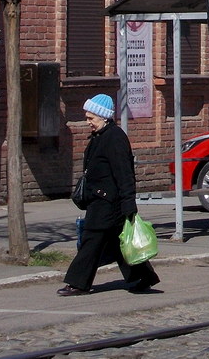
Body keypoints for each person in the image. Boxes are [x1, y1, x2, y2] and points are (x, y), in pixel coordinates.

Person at [59, 94, 160, 296]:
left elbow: (124, 173)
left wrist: (128, 202)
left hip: (109, 202)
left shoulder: (115, 138)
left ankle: (78, 283)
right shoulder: (100, 136)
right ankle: (143, 277)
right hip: (99, 199)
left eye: (91, 118)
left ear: (103, 117)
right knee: (118, 243)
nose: (88, 122)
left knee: (92, 240)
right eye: (87, 118)